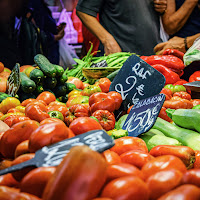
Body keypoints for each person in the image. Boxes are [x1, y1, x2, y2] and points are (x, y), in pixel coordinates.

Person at [76, 0, 167, 56]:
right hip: (120, 57)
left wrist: (161, 6)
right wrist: (107, 40)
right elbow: (83, 11)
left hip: (152, 54)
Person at [28, 0, 66, 64]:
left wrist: (55, 29)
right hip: (44, 54)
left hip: (50, 53)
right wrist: (54, 37)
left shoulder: (41, 5)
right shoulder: (35, 4)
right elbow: (35, 32)